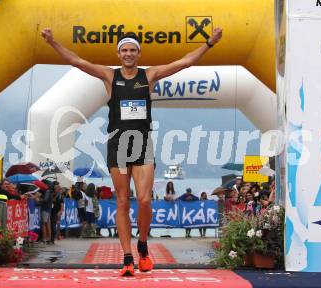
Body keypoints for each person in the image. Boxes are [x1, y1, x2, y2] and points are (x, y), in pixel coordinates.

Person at [41, 26, 223, 276]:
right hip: (118, 144)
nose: (128, 54)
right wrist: (53, 42)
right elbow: (76, 61)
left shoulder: (148, 76)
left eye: (132, 50)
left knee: (145, 200)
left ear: (138, 53)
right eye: (124, 50)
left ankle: (143, 244)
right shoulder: (109, 76)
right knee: (123, 201)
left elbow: (185, 62)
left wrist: (209, 43)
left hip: (142, 142)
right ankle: (127, 257)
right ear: (118, 54)